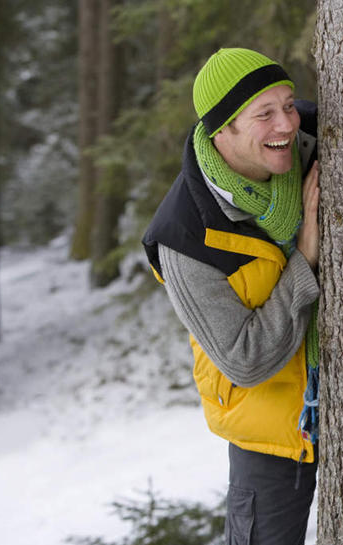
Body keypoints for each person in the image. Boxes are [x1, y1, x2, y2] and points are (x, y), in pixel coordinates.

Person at [142, 48, 320, 545]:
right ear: (222, 131)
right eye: (264, 114)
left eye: (288, 103)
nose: (286, 121)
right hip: (267, 421)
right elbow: (244, 360)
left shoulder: (315, 138)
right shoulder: (185, 238)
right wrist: (304, 258)